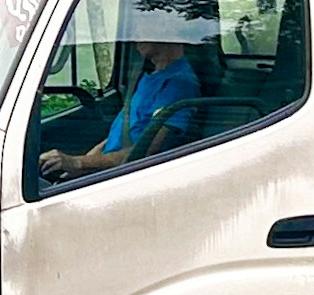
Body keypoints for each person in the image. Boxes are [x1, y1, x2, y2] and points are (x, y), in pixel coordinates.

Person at [39, 27, 204, 181]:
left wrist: (78, 162)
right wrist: (81, 165)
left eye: (143, 27)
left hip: (127, 176)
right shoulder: (152, 76)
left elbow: (145, 151)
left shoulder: (178, 84)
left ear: (167, 31)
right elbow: (119, 133)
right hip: (108, 168)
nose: (135, 35)